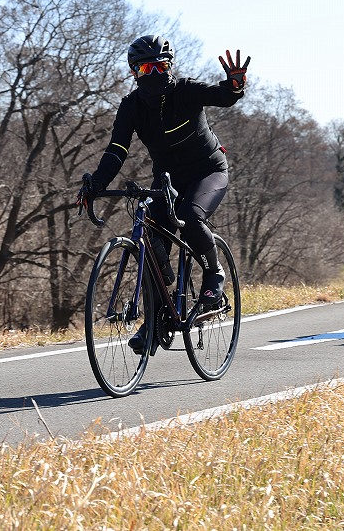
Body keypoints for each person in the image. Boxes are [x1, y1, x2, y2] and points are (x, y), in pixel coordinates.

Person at [79, 35, 248, 354]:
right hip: (167, 180)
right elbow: (117, 149)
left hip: (208, 172)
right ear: (134, 72)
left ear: (170, 65)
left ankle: (215, 274)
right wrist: (97, 183)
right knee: (151, 243)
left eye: (162, 65)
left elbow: (223, 96)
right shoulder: (131, 106)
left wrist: (235, 85)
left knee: (190, 218)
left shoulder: (185, 90)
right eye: (146, 67)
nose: (155, 73)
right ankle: (156, 321)